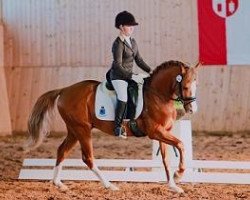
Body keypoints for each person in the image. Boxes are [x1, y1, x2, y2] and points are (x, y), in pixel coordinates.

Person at [106, 11, 152, 139]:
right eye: (129, 25)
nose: (132, 28)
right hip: (118, 76)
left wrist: (151, 71)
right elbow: (117, 65)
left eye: (133, 26)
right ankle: (118, 127)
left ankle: (133, 120)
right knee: (123, 97)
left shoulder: (133, 41)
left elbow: (139, 60)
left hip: (129, 75)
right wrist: (131, 76)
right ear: (121, 27)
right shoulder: (118, 44)